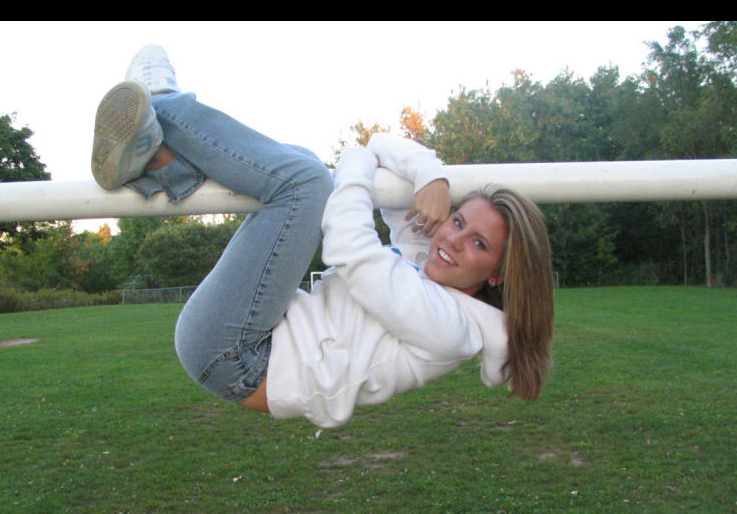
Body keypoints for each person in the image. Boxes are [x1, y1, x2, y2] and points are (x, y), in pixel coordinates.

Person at [91, 46, 554, 429]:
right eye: (459, 222)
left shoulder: (450, 328)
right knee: (299, 161)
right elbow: (380, 146)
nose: (454, 240)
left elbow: (350, 247)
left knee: (306, 181)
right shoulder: (425, 261)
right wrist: (431, 175)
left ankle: (162, 103)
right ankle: (160, 162)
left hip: (238, 355)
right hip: (259, 334)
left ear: (497, 274)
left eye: (479, 244)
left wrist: (355, 159)